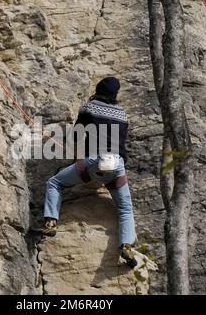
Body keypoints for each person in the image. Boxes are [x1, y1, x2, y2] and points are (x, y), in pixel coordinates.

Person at [32, 77, 137, 268]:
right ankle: (127, 245)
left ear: (98, 89)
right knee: (125, 208)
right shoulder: (123, 115)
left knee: (55, 183)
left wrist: (74, 155)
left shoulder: (89, 107)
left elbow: (78, 135)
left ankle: (51, 223)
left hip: (92, 164)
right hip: (116, 166)